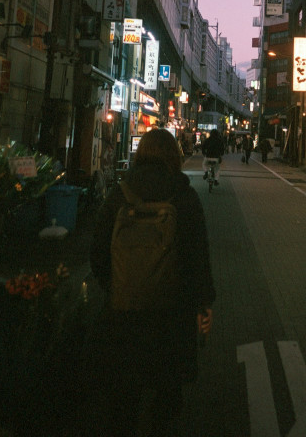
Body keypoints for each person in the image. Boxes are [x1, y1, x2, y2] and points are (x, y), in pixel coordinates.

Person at [86, 129, 215, 436]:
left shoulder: (120, 193)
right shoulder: (185, 197)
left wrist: (118, 284)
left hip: (123, 316)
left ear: (140, 154)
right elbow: (198, 257)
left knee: (123, 399)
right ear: (175, 156)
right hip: (172, 316)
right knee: (166, 393)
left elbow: (98, 253)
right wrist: (203, 304)